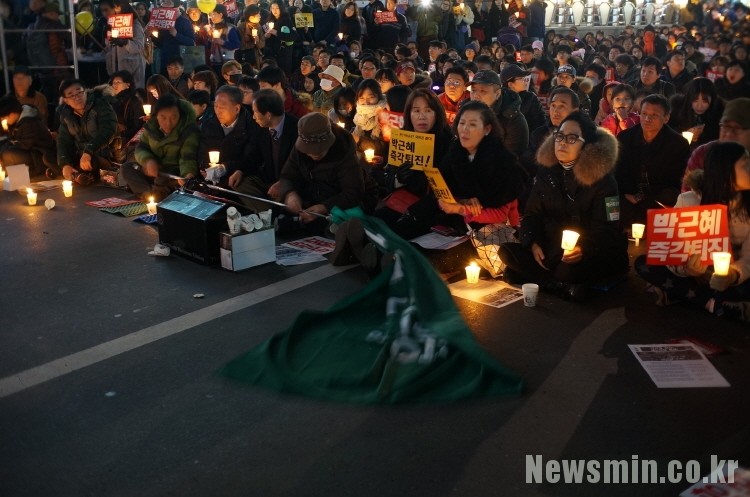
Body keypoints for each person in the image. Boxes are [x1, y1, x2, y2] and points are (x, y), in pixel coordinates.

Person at [499, 111, 628, 301]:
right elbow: (532, 213)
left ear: (587, 145)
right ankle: (558, 285)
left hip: (593, 251)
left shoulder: (604, 181)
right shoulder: (547, 171)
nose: (562, 143)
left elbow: (607, 229)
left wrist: (582, 249)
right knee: (506, 252)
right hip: (552, 245)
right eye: (559, 136)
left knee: (566, 270)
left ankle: (547, 278)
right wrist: (533, 242)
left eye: (572, 138)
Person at [634, 141, 750, 322]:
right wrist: (686, 268)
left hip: (733, 277)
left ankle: (681, 296)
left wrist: (733, 274)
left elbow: (749, 257)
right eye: (746, 164)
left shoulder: (747, 206)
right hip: (696, 277)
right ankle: (713, 304)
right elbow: (671, 251)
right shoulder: (688, 200)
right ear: (725, 172)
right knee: (645, 264)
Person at [277, 112, 375, 232]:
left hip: (341, 202)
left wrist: (324, 207)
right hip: (314, 196)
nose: (314, 154)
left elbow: (353, 192)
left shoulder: (343, 150)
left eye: (319, 149)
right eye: (309, 150)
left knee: (335, 225)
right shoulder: (300, 148)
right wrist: (290, 194)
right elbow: (288, 175)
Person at [615, 94, 691, 226]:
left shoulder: (678, 143)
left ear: (666, 118)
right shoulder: (625, 137)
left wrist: (643, 197)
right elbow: (619, 170)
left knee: (669, 196)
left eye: (654, 115)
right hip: (628, 193)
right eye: (644, 113)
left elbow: (674, 179)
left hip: (658, 195)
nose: (647, 119)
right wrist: (628, 194)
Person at [122, 94, 199, 200]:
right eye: (163, 117)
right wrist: (148, 161)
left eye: (174, 117)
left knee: (170, 180)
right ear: (156, 116)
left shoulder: (188, 131)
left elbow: (187, 157)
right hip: (154, 171)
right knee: (127, 168)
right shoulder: (151, 127)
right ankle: (149, 194)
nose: (168, 122)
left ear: (180, 116)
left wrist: (187, 175)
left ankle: (154, 194)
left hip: (172, 174)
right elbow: (141, 148)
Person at [232, 88, 299, 211]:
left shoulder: (295, 129)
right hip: (267, 178)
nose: (253, 117)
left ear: (268, 115)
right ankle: (269, 214)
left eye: (255, 112)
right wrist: (240, 170)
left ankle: (269, 215)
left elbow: (299, 165)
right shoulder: (261, 127)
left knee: (289, 198)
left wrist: (283, 183)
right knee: (239, 183)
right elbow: (254, 154)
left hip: (289, 181)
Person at [56, 79, 119, 185]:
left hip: (102, 154)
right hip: (79, 155)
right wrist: (65, 163)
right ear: (66, 100)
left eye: (79, 92)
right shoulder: (66, 115)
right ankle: (76, 174)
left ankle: (79, 175)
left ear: (85, 91)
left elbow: (108, 130)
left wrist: (89, 151)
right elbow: (63, 141)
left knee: (92, 162)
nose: (77, 97)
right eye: (71, 95)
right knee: (50, 157)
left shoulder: (101, 105)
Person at [468, 69, 528, 157]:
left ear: (497, 94)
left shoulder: (513, 120)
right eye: (473, 90)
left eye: (482, 91)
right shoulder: (465, 111)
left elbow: (510, 159)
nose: (476, 95)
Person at [0, 95, 56, 178]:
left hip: (39, 156)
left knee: (8, 155)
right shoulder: (17, 122)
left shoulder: (30, 122)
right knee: (5, 152)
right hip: (29, 153)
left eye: (5, 117)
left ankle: (15, 176)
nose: (4, 120)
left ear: (13, 113)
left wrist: (6, 148)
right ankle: (11, 175)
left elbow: (25, 145)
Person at [100, 0, 147, 90]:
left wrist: (125, 42)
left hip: (133, 71)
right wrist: (108, 37)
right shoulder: (110, 25)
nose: (105, 13)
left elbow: (140, 47)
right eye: (102, 11)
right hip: (116, 70)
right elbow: (110, 47)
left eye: (107, 9)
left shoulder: (135, 24)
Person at [668, 77, 724, 150]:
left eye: (704, 101)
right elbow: (667, 131)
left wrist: (704, 132)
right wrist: (683, 134)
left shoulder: (719, 112)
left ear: (712, 100)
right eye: (695, 100)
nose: (699, 105)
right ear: (689, 98)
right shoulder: (677, 108)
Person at [108, 70, 145, 162]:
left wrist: (122, 132)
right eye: (113, 83)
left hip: (127, 141)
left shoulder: (135, 101)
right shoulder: (110, 101)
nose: (114, 85)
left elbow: (137, 126)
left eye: (118, 82)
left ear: (128, 84)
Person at [151, 0, 196, 76]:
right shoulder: (162, 21)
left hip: (179, 62)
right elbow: (159, 42)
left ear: (176, 7)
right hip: (165, 60)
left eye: (168, 4)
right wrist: (152, 34)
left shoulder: (184, 22)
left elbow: (192, 42)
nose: (165, 7)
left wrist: (176, 35)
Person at [501, 63, 545, 135]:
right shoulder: (499, 100)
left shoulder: (530, 98)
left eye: (525, 77)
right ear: (511, 84)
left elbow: (540, 122)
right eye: (521, 78)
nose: (525, 80)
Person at [264, 0, 297, 77]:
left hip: (283, 52)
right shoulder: (269, 20)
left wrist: (276, 32)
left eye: (277, 8)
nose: (274, 11)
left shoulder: (286, 20)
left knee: (283, 74)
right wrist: (266, 36)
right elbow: (264, 33)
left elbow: (294, 36)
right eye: (272, 8)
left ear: (281, 8)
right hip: (271, 52)